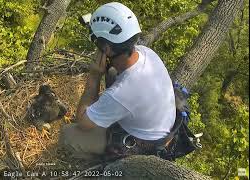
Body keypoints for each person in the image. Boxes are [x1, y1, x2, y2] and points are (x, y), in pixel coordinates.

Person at [58, 2, 176, 160]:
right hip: (162, 130)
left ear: (106, 49)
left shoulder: (121, 92)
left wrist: (94, 76)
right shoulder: (147, 53)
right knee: (112, 72)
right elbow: (120, 81)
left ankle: (104, 163)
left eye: (97, 44)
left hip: (144, 145)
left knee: (68, 134)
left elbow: (82, 122)